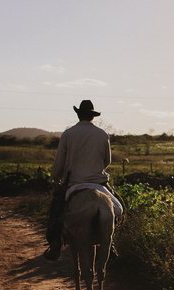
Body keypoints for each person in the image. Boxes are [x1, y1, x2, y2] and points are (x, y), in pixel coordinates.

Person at [44, 99, 121, 260]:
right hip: (98, 182)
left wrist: (56, 178)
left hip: (73, 182)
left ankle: (56, 244)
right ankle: (110, 241)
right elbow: (107, 161)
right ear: (92, 116)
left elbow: (59, 163)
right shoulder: (102, 134)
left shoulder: (68, 134)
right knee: (119, 209)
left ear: (79, 115)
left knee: (56, 211)